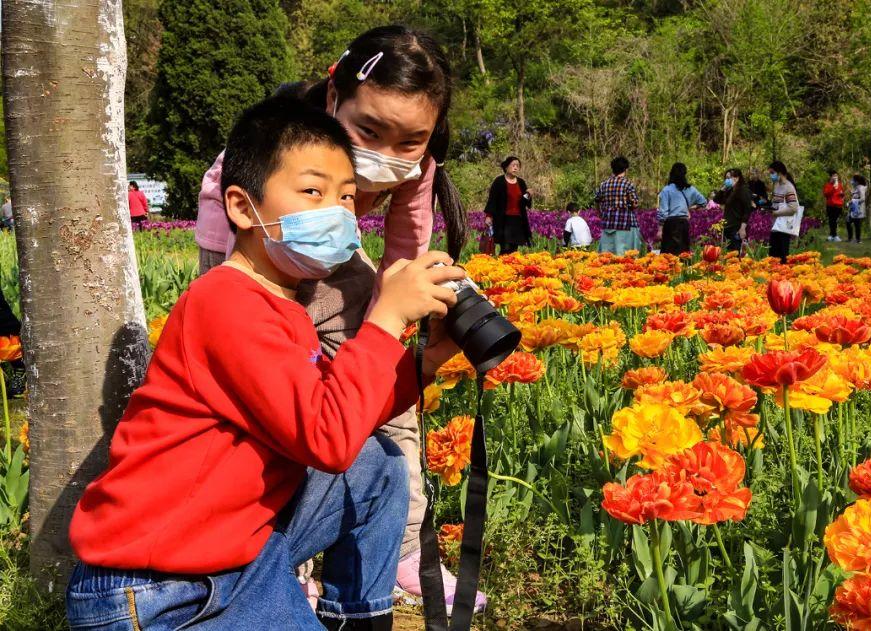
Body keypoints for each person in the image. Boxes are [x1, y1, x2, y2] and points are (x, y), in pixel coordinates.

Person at [66, 97, 469, 631]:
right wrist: (385, 320)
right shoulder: (224, 302)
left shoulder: (283, 303)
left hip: (238, 552)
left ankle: (357, 618)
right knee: (356, 455)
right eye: (312, 191)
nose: (338, 212)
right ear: (240, 206)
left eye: (348, 197)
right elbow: (325, 439)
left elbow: (335, 411)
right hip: (157, 589)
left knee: (378, 464)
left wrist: (425, 362)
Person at [191, 26, 483, 611]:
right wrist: (258, 298)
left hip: (337, 248)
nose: (387, 155)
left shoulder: (417, 167)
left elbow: (405, 249)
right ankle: (283, 558)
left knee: (382, 384)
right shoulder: (279, 139)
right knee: (275, 398)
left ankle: (404, 551)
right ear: (333, 97)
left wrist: (402, 311)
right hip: (261, 242)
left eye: (412, 141)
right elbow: (233, 268)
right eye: (369, 131)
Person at [483, 156, 533, 255]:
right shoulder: (499, 181)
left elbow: (524, 203)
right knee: (505, 248)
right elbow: (492, 200)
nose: (516, 168)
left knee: (514, 250)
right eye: (513, 165)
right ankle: (503, 268)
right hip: (503, 220)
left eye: (518, 166)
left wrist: (528, 195)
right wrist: (489, 216)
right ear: (506, 167)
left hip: (518, 221)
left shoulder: (521, 183)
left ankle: (512, 269)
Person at [594, 156, 641, 255]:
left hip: (608, 224)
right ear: (625, 169)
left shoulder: (604, 184)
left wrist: (600, 213)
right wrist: (632, 205)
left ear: (613, 169)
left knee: (607, 256)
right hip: (625, 224)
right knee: (625, 256)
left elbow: (597, 200)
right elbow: (634, 203)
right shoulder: (627, 184)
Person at [657, 163, 707, 255]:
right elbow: (703, 202)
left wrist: (660, 229)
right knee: (683, 253)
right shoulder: (691, 189)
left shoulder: (667, 190)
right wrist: (690, 208)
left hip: (671, 224)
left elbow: (663, 212)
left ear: (671, 174)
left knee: (669, 254)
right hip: (684, 224)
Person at [767, 160, 801, 263]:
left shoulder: (788, 187)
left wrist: (776, 213)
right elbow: (777, 203)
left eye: (772, 173)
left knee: (782, 256)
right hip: (776, 226)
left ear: (780, 172)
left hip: (784, 227)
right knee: (773, 255)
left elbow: (793, 208)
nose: (771, 176)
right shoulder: (777, 185)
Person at [722, 168, 753, 253]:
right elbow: (717, 199)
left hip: (737, 228)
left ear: (737, 178)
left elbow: (747, 210)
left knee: (735, 254)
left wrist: (743, 228)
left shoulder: (744, 190)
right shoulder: (730, 190)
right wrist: (723, 188)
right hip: (728, 227)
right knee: (728, 254)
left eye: (729, 178)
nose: (727, 180)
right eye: (726, 178)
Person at [822, 169, 844, 242]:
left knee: (835, 220)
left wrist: (842, 195)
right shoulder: (828, 185)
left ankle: (834, 235)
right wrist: (833, 187)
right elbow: (826, 194)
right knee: (831, 220)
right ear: (830, 177)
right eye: (834, 176)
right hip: (830, 205)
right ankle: (832, 235)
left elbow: (842, 194)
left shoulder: (840, 185)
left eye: (836, 176)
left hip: (838, 205)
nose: (835, 177)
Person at [847, 173, 868, 243]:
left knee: (857, 225)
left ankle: (858, 239)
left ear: (857, 181)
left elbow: (862, 199)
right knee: (848, 222)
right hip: (853, 209)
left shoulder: (861, 188)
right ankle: (850, 238)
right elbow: (855, 196)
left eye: (853, 180)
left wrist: (853, 201)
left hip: (858, 210)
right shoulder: (856, 188)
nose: (852, 181)